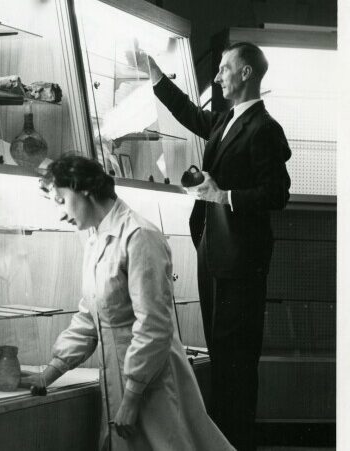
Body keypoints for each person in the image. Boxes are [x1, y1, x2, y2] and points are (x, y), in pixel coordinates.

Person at [21, 155, 233, 451]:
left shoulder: (139, 235)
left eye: (60, 200)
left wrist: (132, 398)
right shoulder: (97, 238)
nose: (59, 213)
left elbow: (154, 326)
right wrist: (50, 372)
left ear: (83, 189)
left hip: (152, 382)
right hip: (123, 379)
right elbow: (90, 317)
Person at [146, 42, 291, 450]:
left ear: (246, 73)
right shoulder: (227, 120)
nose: (219, 75)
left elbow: (277, 193)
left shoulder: (265, 128)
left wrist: (224, 195)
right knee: (223, 359)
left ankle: (237, 444)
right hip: (214, 255)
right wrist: (156, 78)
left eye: (225, 68)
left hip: (242, 263)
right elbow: (192, 114)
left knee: (237, 365)